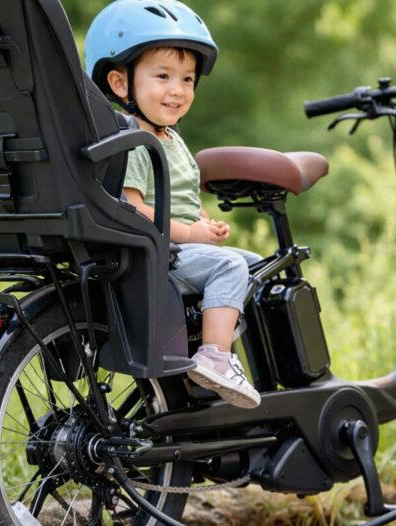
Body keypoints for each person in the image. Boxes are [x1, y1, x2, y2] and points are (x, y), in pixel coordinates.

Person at [85, 0, 261, 408]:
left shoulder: (169, 137)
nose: (178, 90)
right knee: (231, 266)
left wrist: (203, 221)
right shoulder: (133, 140)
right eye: (162, 76)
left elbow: (177, 197)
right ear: (119, 83)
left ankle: (235, 368)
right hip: (161, 254)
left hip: (180, 245)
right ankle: (215, 357)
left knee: (257, 266)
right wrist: (190, 232)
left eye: (187, 79)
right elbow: (131, 208)